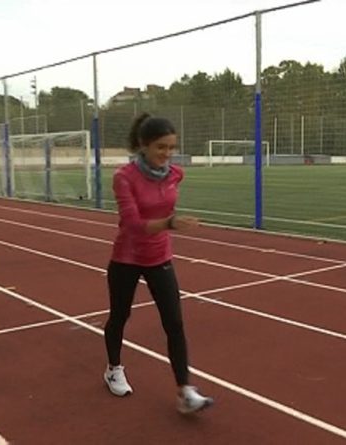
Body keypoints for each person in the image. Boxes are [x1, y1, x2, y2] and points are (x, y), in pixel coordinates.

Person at [103, 112, 213, 414]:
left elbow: (162, 212)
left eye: (171, 147)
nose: (167, 153)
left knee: (174, 322)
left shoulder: (176, 174)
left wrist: (169, 223)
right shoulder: (124, 177)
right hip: (127, 257)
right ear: (144, 145)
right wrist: (170, 223)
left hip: (159, 256)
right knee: (119, 316)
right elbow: (132, 224)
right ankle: (113, 368)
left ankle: (185, 391)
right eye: (160, 147)